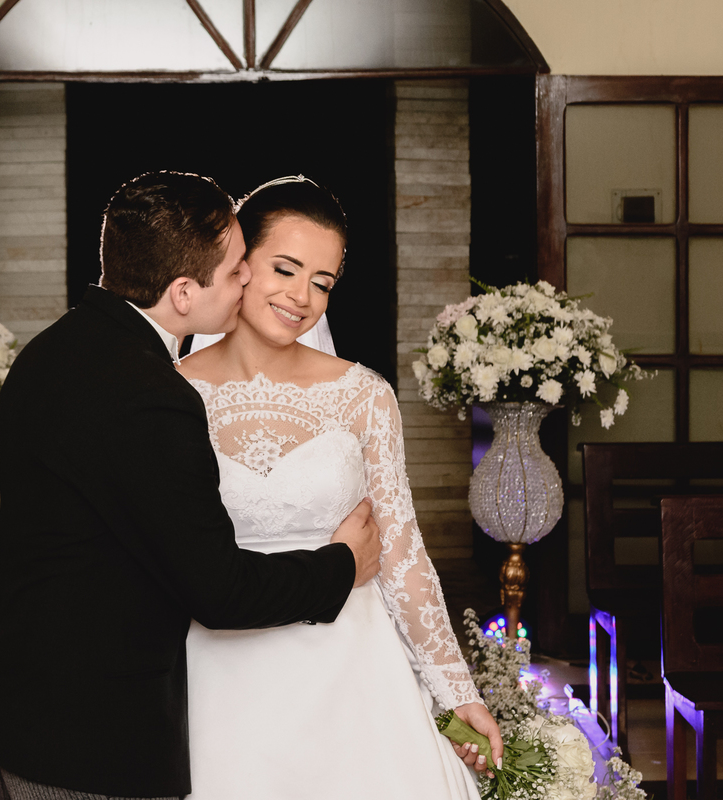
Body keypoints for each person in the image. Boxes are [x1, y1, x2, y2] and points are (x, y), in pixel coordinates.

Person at [0, 171, 385, 800]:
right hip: (87, 741)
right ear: (184, 292)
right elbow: (219, 591)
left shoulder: (49, 352)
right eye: (239, 268)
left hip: (29, 712)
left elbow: (71, 532)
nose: (248, 282)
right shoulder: (153, 397)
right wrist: (341, 566)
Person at [176, 176, 501, 798]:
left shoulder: (364, 396)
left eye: (321, 283)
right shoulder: (169, 394)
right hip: (213, 670)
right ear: (239, 263)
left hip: (350, 671)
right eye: (286, 269)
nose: (302, 297)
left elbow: (402, 553)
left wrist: (456, 690)